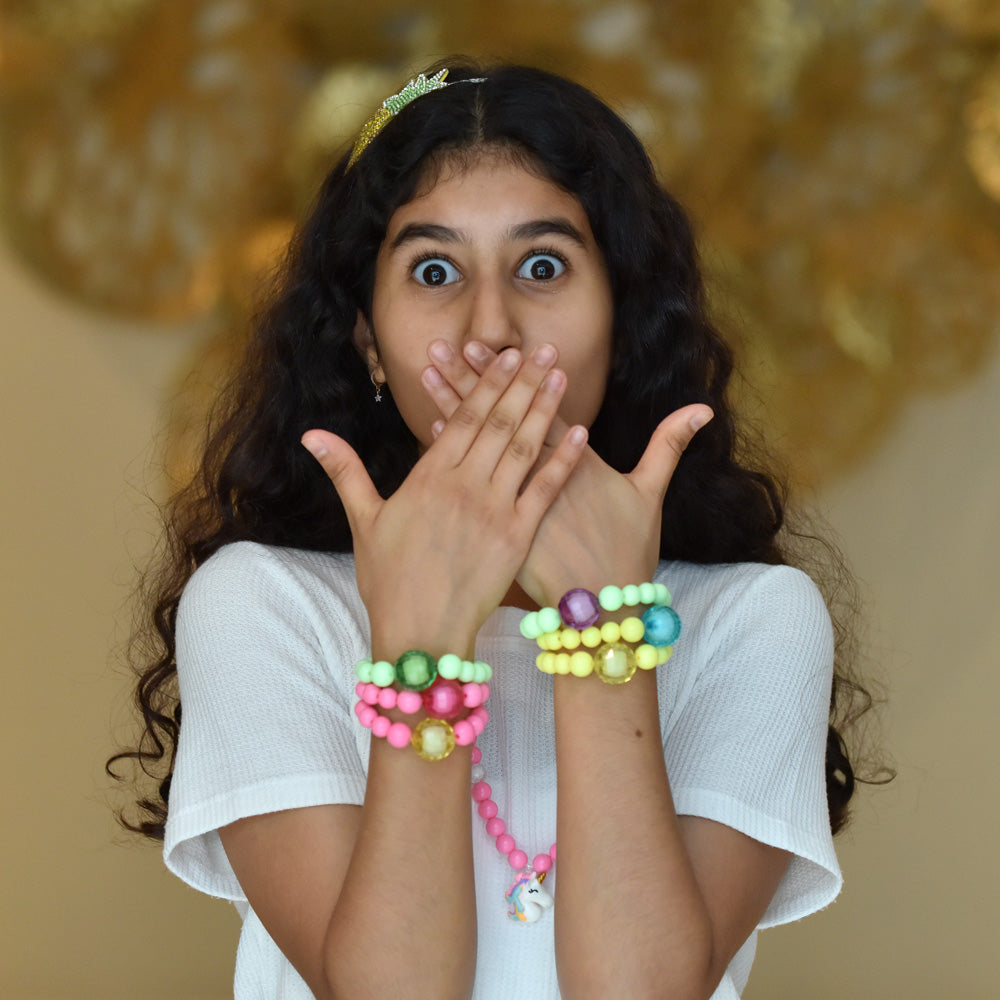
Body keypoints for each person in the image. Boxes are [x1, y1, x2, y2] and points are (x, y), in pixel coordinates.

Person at [109, 61, 868, 999]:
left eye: (542, 266)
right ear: (365, 339)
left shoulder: (755, 619)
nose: (491, 331)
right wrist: (422, 637)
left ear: (622, 317)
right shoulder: (262, 602)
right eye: (434, 271)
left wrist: (604, 629)